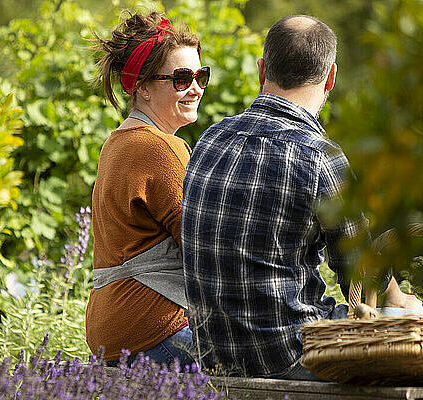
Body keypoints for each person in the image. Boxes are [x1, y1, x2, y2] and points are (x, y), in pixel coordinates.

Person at [180, 15, 421, 380]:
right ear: (331, 78)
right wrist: (401, 302)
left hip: (214, 355)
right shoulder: (320, 157)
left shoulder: (210, 140)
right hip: (296, 357)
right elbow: (360, 274)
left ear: (262, 71)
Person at [85, 11, 209, 368]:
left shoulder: (117, 143)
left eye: (201, 75)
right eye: (181, 78)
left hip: (113, 325)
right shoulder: (160, 149)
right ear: (143, 88)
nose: (195, 87)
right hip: (155, 326)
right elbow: (203, 245)